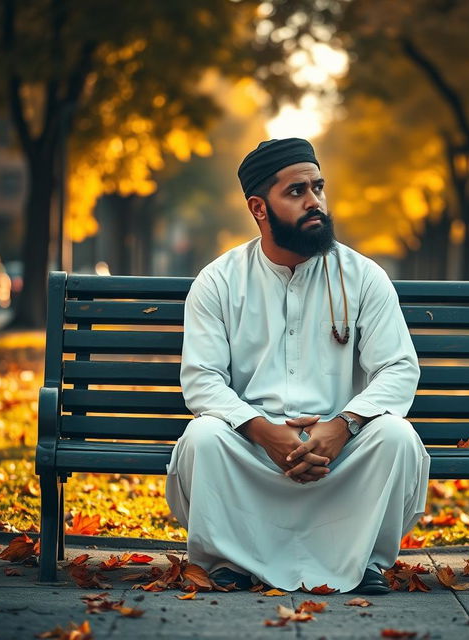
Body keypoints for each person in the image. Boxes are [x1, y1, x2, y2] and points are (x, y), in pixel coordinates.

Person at [165, 138, 430, 594]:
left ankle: (363, 559)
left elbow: (399, 368)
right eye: (296, 192)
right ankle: (231, 560)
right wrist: (262, 431)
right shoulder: (219, 281)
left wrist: (343, 426)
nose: (315, 202)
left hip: (340, 456)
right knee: (204, 437)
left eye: (318, 188)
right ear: (259, 207)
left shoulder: (363, 277)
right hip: (251, 451)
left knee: (396, 437)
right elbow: (202, 379)